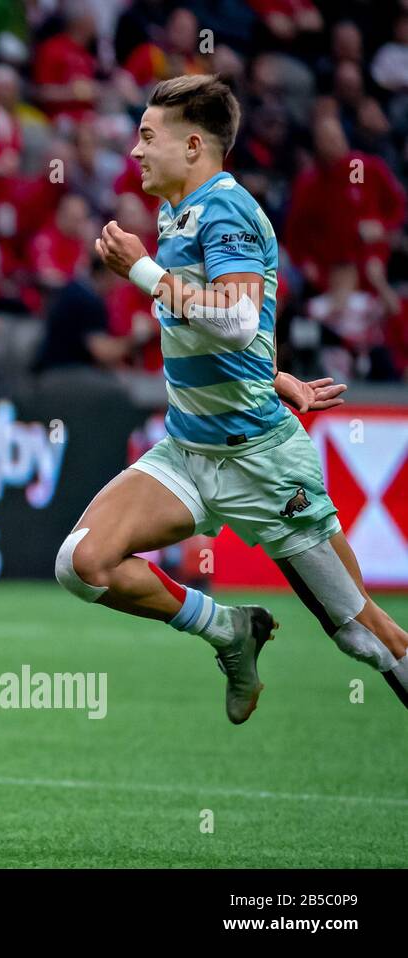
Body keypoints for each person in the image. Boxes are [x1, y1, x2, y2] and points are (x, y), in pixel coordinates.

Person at [64, 74, 408, 723]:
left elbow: (239, 318)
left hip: (260, 462)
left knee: (364, 635)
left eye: (147, 137)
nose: (134, 152)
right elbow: (232, 325)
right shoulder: (176, 211)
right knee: (83, 564)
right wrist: (270, 373)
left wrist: (143, 272)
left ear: (193, 145)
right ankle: (230, 630)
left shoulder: (227, 208)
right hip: (188, 450)